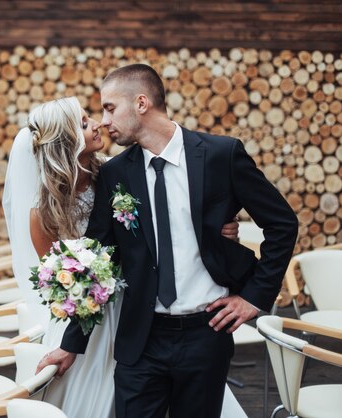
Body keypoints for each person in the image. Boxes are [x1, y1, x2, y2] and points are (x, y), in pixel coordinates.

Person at [37, 64, 299, 418]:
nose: (104, 120)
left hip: (206, 334)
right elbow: (98, 262)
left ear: (141, 103)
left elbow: (282, 223)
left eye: (110, 107)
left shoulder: (222, 155)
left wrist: (254, 297)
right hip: (141, 341)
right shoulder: (115, 173)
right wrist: (71, 345)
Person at [3, 96, 248, 418]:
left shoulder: (117, 172)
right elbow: (58, 279)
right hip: (91, 313)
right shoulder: (44, 212)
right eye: (84, 122)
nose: (98, 124)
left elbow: (169, 219)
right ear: (65, 139)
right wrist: (77, 308)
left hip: (143, 303)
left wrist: (219, 228)